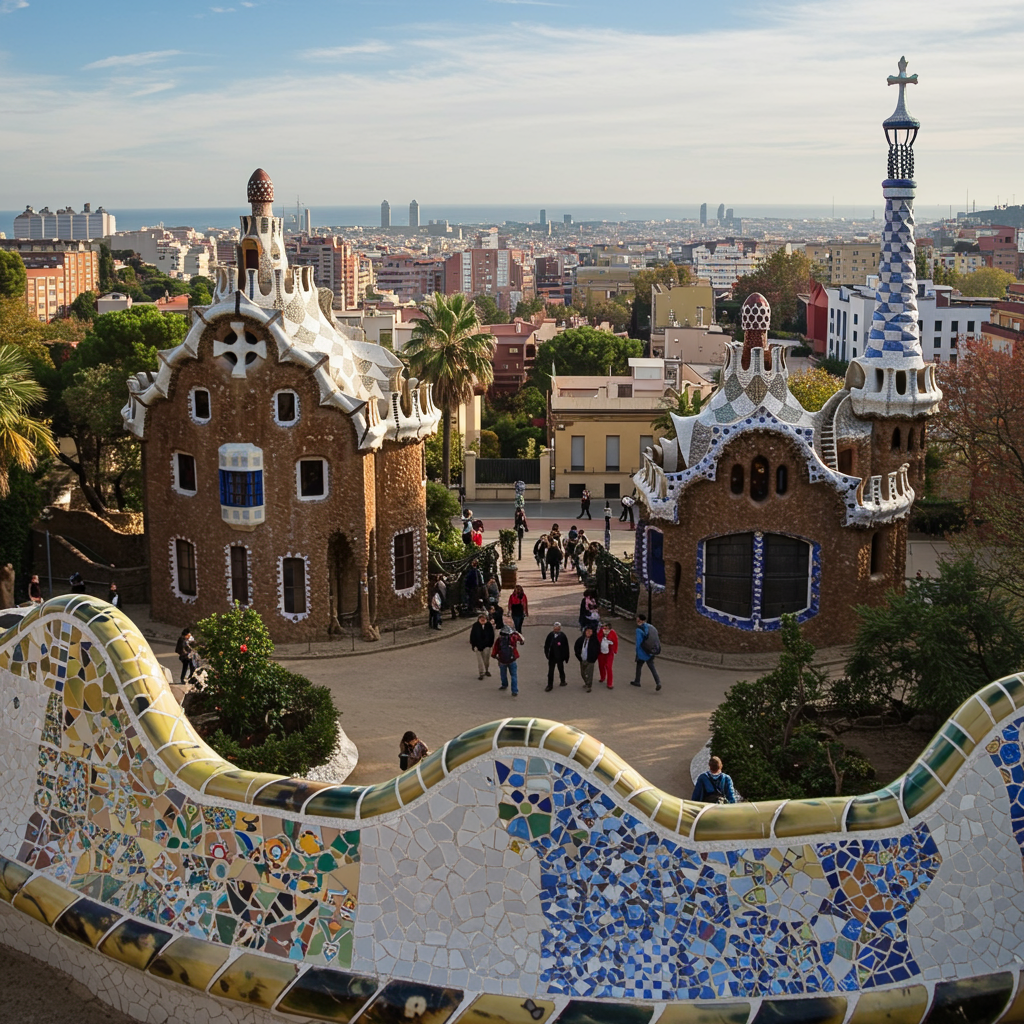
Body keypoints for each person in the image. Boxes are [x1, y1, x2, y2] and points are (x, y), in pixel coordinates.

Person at [631, 613, 662, 690]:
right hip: (651, 651)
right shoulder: (651, 627)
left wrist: (637, 653)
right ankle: (658, 682)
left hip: (643, 651)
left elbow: (639, 642)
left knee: (639, 666)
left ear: (639, 620)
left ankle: (637, 681)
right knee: (652, 667)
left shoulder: (639, 630)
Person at [492, 624, 524, 696]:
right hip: (512, 659)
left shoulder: (499, 640)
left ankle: (504, 684)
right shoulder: (513, 638)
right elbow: (521, 639)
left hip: (502, 660)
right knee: (514, 675)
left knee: (503, 673)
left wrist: (494, 656)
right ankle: (514, 690)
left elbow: (495, 649)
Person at [543, 621, 570, 690]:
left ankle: (563, 681)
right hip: (552, 656)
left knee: (561, 669)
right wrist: (547, 653)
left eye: (558, 629)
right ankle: (550, 685)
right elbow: (546, 645)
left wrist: (566, 657)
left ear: (560, 629)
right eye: (555, 629)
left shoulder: (563, 636)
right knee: (550, 671)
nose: (556, 630)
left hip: (560, 657)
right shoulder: (550, 635)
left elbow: (566, 647)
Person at [574, 625, 600, 691]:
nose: (588, 632)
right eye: (587, 631)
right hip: (582, 659)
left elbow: (597, 650)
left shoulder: (594, 641)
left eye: (590, 631)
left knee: (589, 674)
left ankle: (589, 685)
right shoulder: (581, 639)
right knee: (583, 673)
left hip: (590, 660)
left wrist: (593, 658)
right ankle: (586, 682)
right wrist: (578, 656)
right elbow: (576, 647)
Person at [470, 612, 494, 679]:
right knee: (480, 661)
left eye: (484, 619)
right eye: (481, 619)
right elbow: (472, 636)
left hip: (487, 646)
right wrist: (473, 645)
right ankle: (481, 673)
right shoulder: (475, 626)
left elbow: (492, 635)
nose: (482, 620)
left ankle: (486, 670)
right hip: (477, 646)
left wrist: (490, 645)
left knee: (486, 660)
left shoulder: (489, 625)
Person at [598, 621, 619, 689]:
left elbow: (616, 642)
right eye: (604, 628)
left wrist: (615, 650)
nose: (605, 630)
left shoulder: (613, 633)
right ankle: (602, 677)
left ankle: (610, 683)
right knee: (601, 665)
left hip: (609, 652)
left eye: (606, 628)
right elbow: (598, 639)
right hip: (601, 651)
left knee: (608, 666)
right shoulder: (600, 632)